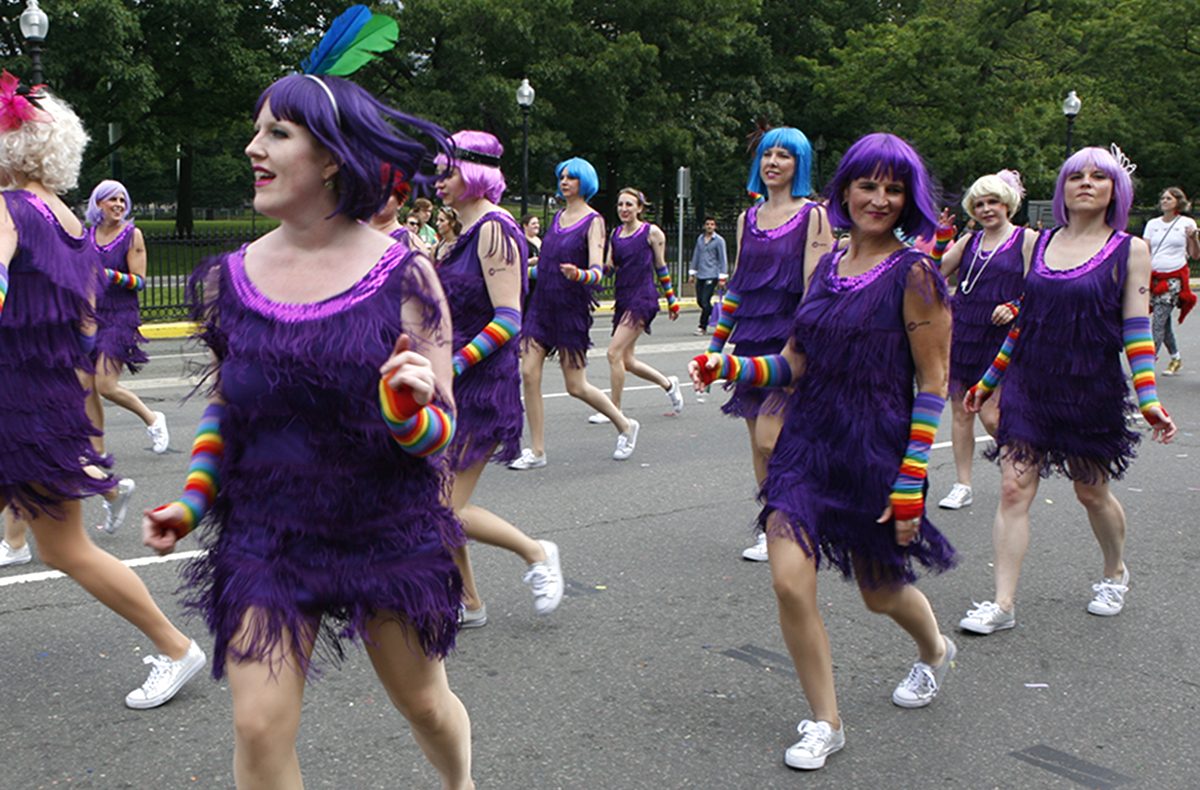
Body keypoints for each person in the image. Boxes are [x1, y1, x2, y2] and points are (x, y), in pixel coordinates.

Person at [141, 73, 473, 788]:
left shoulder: (403, 274)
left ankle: (461, 782)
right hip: (269, 535)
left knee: (424, 705)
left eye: (276, 134)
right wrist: (192, 501)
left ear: (329, 157)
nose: (252, 147)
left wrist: (407, 412)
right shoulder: (228, 279)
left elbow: (439, 433)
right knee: (258, 727)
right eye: (257, 130)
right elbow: (230, 409)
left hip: (383, 527)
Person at [690, 132, 957, 771]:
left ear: (908, 198)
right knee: (788, 582)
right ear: (846, 189)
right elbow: (793, 361)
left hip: (876, 452)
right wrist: (731, 366)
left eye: (894, 189)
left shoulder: (914, 273)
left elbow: (934, 382)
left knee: (878, 591)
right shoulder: (829, 263)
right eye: (868, 185)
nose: (880, 199)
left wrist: (911, 475)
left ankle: (935, 651)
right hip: (805, 442)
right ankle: (825, 720)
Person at [0, 71, 205, 708]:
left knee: (66, 549)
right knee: (65, 547)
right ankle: (175, 645)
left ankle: (176, 647)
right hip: (44, 399)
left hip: (19, 403)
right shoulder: (65, 220)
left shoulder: (8, 211)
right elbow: (84, 319)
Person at [959, 146, 1177, 636]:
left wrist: (1150, 401)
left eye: (1099, 177)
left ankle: (1115, 572)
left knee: (1090, 491)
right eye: (1076, 175)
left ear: (1115, 191)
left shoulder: (1130, 249)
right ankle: (1003, 602)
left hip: (1088, 390)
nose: (1086, 183)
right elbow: (1024, 323)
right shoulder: (1039, 243)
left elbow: (1138, 332)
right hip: (1030, 385)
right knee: (1014, 489)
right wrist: (988, 381)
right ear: (1062, 187)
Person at [433, 130, 562, 628]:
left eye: (448, 171)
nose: (438, 180)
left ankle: (535, 552)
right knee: (436, 498)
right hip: (451, 383)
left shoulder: (495, 229)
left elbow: (508, 319)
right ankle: (467, 601)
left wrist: (455, 363)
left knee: (441, 505)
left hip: (483, 387)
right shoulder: (461, 235)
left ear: (474, 173)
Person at [706, 127, 834, 562]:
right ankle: (773, 524)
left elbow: (816, 287)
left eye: (784, 155)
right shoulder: (748, 219)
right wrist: (716, 348)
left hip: (791, 343)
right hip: (750, 341)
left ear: (799, 164)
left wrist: (800, 349)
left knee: (770, 438)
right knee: (754, 438)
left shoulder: (813, 215)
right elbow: (738, 288)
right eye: (767, 155)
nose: (773, 162)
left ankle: (803, 510)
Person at [510, 156, 640, 468]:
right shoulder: (557, 217)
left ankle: (625, 425)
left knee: (575, 386)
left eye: (572, 177)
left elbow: (597, 271)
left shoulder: (593, 221)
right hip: (541, 307)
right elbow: (548, 262)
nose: (565, 181)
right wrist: (526, 266)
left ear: (585, 182)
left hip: (571, 310)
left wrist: (579, 275)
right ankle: (537, 451)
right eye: (562, 176)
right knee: (528, 372)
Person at [935, 171, 1030, 510]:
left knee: (991, 415)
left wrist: (1015, 306)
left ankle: (1019, 465)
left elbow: (1040, 288)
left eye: (993, 202)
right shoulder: (969, 241)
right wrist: (942, 239)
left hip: (1002, 339)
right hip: (963, 331)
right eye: (979, 204)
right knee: (962, 412)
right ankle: (963, 484)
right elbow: (934, 274)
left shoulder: (1026, 239)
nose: (987, 209)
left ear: (1008, 204)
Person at [84, 180, 170, 458]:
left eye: (123, 200)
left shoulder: (132, 235)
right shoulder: (88, 236)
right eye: (112, 199)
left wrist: (109, 275)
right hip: (92, 317)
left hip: (121, 318)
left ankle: (153, 419)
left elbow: (140, 281)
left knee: (105, 385)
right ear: (99, 204)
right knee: (87, 386)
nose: (119, 205)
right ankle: (95, 450)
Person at [586, 188, 683, 424]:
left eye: (629, 205)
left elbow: (661, 267)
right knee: (626, 361)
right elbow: (609, 268)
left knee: (613, 353)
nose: (624, 209)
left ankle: (614, 410)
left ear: (639, 208)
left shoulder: (652, 233)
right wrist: (589, 271)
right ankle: (669, 384)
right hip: (623, 298)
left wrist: (671, 299)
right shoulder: (616, 234)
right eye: (620, 205)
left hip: (643, 299)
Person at [1143, 186, 1199, 375]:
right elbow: (1145, 250)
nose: (1164, 201)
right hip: (1154, 277)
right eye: (1163, 198)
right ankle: (1176, 358)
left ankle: (1147, 366)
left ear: (1178, 202)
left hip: (1173, 279)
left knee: (1158, 322)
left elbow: (1194, 254)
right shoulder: (1152, 224)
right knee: (1163, 322)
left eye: (1168, 198)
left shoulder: (1186, 223)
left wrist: (1194, 238)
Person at [689, 215, 728, 335]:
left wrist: (722, 277)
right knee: (700, 301)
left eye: (712, 224)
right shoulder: (700, 239)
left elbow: (723, 259)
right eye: (707, 224)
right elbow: (696, 255)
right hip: (701, 273)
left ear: (715, 226)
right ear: (704, 226)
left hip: (712, 274)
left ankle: (702, 326)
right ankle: (720, 319)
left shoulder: (719, 241)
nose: (709, 226)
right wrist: (692, 272)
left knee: (705, 301)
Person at [366, 167, 414, 247]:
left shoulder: (410, 242)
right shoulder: (352, 229)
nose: (380, 198)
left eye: (387, 194)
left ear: (400, 203)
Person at [520, 214, 540, 313]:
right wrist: (529, 262)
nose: (537, 225)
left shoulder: (539, 240)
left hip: (539, 282)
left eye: (537, 223)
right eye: (533, 223)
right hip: (527, 282)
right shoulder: (521, 241)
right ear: (525, 225)